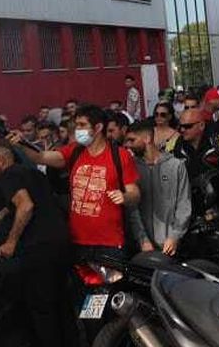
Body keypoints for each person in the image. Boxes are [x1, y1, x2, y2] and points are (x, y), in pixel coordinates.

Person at [0, 144, 75, 347]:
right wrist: (3, 214)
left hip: (39, 250)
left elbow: (25, 206)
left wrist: (11, 242)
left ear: (1, 160)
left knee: (42, 312)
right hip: (60, 244)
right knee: (62, 308)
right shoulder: (33, 173)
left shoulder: (8, 176)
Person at [10, 104, 140, 262]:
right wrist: (22, 145)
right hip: (77, 241)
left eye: (82, 125)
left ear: (98, 127)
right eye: (77, 125)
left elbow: (135, 194)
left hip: (109, 243)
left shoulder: (121, 156)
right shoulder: (74, 151)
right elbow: (41, 157)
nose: (78, 130)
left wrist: (125, 196)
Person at [126, 119, 192, 255]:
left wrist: (174, 236)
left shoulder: (176, 166)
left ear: (147, 138)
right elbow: (132, 208)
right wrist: (142, 239)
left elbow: (183, 205)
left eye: (132, 140)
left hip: (170, 247)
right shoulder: (131, 166)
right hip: (142, 247)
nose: (128, 145)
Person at [175, 106, 219, 176]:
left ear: (201, 125)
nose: (182, 130)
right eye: (180, 126)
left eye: (187, 126)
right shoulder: (174, 145)